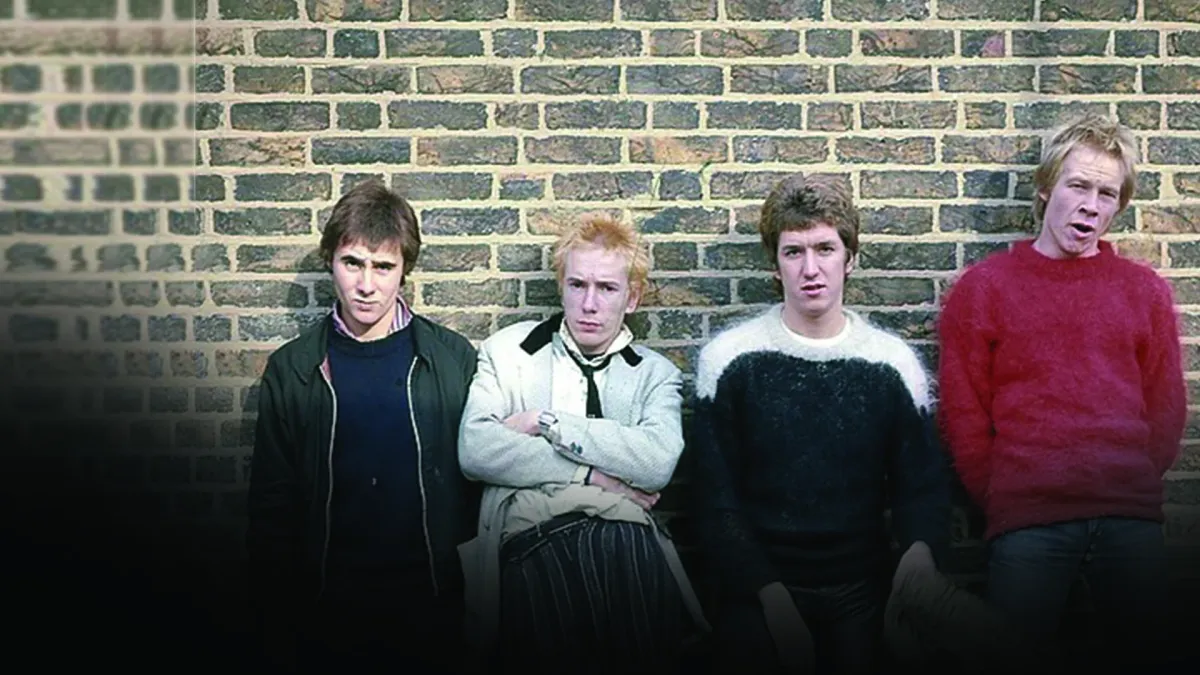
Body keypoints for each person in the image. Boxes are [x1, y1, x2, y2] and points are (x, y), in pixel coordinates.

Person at [937, 114, 1187, 673]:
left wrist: (1126, 476)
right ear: (1047, 187)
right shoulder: (986, 289)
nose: (1090, 206)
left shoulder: (1143, 291)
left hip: (1127, 516)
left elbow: (1166, 407)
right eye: (1078, 186)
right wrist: (1003, 490)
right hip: (1029, 519)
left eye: (1106, 194)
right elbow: (963, 409)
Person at [690, 174, 951, 674]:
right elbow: (714, 499)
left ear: (850, 258)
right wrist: (769, 595)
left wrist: (918, 559)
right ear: (775, 264)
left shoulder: (892, 364)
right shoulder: (729, 360)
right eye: (794, 252)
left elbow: (922, 489)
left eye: (825, 249)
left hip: (862, 587)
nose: (811, 270)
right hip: (758, 584)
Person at [456, 215, 708, 673]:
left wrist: (547, 422)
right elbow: (476, 449)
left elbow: (656, 462)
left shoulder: (655, 375)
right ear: (561, 286)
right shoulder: (508, 353)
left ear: (632, 297)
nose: (589, 304)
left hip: (625, 546)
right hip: (533, 542)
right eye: (577, 285)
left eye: (607, 288)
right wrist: (593, 476)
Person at [246, 180, 480, 672]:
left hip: (433, 606)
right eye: (352, 263)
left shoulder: (451, 359)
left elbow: (476, 488)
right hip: (327, 611)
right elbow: (272, 508)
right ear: (330, 261)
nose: (366, 284)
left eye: (383, 267)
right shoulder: (294, 369)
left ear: (404, 270)